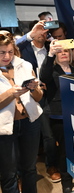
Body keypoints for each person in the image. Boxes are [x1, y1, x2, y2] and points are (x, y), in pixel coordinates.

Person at [16, 20, 61, 183]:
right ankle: (23, 173)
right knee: (26, 137)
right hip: (27, 97)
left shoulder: (52, 48)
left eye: (46, 30)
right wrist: (29, 36)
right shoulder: (22, 49)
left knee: (49, 135)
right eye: (40, 30)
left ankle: (51, 166)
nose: (43, 33)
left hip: (49, 96)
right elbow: (10, 46)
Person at [0, 30, 43, 193]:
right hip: (4, 128)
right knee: (8, 173)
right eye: (2, 52)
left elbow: (38, 98)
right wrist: (10, 94)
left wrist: (34, 89)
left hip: (30, 123)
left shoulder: (24, 65)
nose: (7, 56)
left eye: (10, 51)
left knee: (30, 169)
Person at [39, 40, 74, 193]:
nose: (63, 53)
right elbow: (43, 77)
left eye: (66, 51)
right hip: (59, 117)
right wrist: (49, 55)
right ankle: (66, 183)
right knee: (64, 150)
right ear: (55, 54)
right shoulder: (52, 70)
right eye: (60, 51)